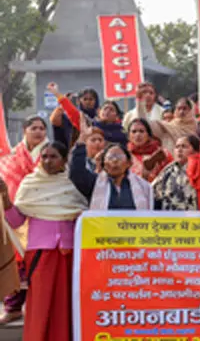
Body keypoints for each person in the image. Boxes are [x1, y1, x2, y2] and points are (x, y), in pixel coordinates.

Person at [3, 141, 88, 341]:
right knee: (40, 304)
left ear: (64, 160)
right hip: (41, 253)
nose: (48, 161)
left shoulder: (73, 184)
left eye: (53, 157)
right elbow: (16, 221)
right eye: (44, 157)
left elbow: (84, 214)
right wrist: (6, 198)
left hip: (69, 253)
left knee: (67, 303)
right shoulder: (30, 184)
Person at [0, 115, 48, 325]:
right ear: (24, 131)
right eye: (34, 128)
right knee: (15, 262)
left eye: (41, 128)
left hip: (41, 217)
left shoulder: (50, 155)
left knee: (39, 265)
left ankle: (41, 309)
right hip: (14, 215)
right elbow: (7, 178)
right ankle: (13, 307)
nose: (38, 131)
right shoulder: (10, 159)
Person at [70, 118, 153, 211]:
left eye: (119, 156)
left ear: (129, 163)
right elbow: (76, 173)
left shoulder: (143, 187)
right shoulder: (95, 183)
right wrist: (82, 140)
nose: (114, 160)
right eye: (110, 157)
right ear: (104, 164)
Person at [153, 136, 200, 211]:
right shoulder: (168, 170)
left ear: (196, 151)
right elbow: (153, 193)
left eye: (184, 146)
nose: (179, 150)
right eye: (177, 147)